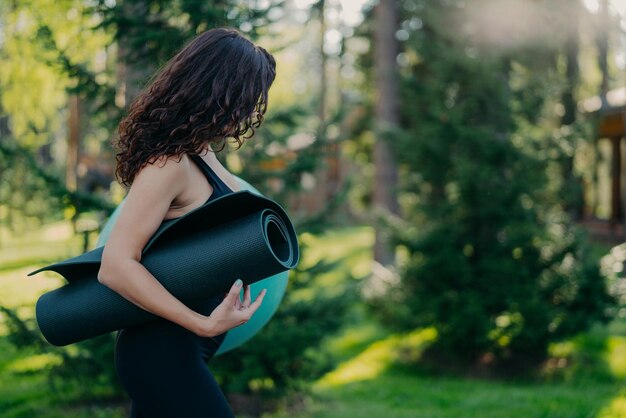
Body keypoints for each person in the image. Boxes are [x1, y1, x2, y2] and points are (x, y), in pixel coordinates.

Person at [96, 27, 277, 417]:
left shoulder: (203, 154)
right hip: (161, 352)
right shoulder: (169, 164)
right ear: (220, 91)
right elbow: (115, 266)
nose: (250, 112)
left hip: (185, 350)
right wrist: (201, 323)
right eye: (247, 98)